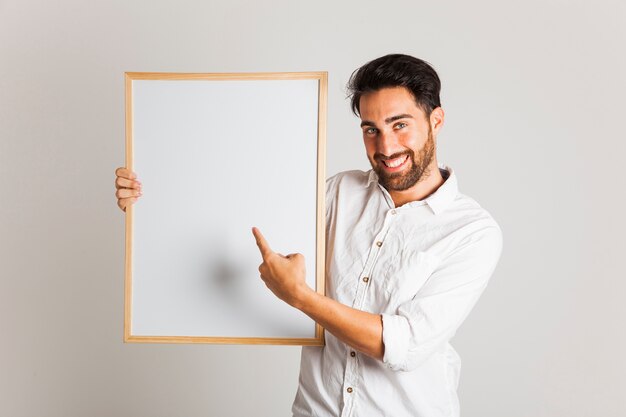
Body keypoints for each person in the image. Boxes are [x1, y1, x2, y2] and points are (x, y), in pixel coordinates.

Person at [115, 54, 503, 417]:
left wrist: (300, 297)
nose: (385, 146)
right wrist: (151, 200)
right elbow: (234, 216)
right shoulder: (337, 193)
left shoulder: (472, 232)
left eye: (400, 125)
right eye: (371, 129)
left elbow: (404, 344)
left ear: (436, 120)